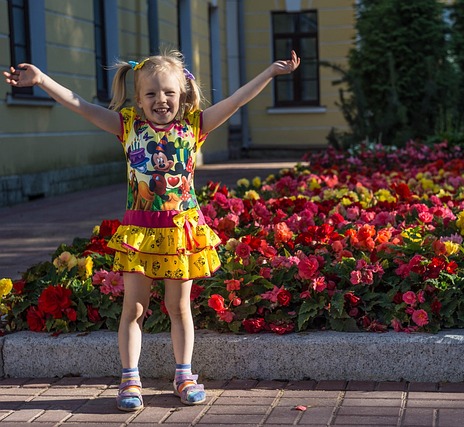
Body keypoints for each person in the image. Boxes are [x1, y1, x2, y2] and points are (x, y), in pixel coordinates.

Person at [3, 49, 300, 412]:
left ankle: (184, 375)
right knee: (134, 309)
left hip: (180, 233)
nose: (161, 100)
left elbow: (237, 101)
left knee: (179, 308)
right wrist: (42, 80)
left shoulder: (195, 125)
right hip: (140, 233)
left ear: (183, 94)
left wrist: (270, 71)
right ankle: (130, 378)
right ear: (138, 99)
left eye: (169, 93)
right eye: (151, 94)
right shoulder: (127, 126)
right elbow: (80, 105)